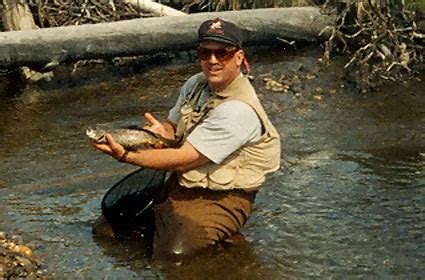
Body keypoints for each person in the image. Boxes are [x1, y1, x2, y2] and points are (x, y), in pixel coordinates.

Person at [91, 18, 281, 257]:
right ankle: (195, 236)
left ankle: (229, 246)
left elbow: (184, 159)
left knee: (173, 254)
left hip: (222, 198)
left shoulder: (239, 111)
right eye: (205, 52)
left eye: (222, 53)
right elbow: (173, 126)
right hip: (179, 184)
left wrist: (127, 155)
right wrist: (161, 133)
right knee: (106, 230)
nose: (212, 60)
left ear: (239, 57)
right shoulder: (195, 84)